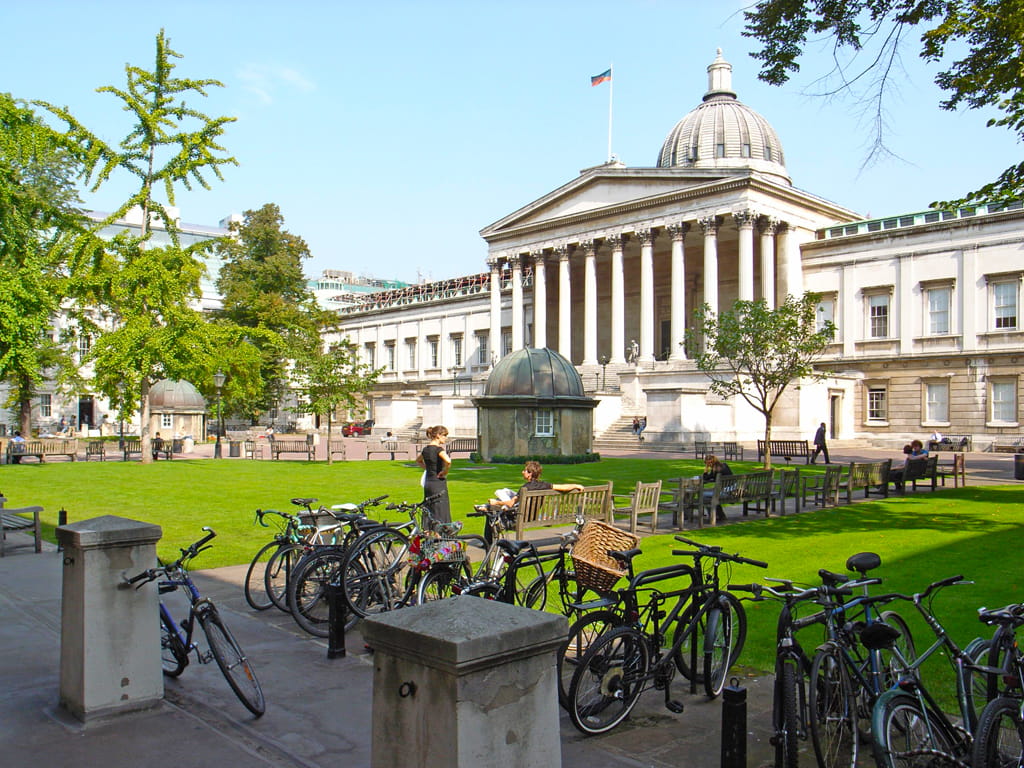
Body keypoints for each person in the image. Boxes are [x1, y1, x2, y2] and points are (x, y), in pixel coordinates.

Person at [417, 425, 452, 524]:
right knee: (440, 509)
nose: (445, 438)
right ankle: (440, 535)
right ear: (438, 435)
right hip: (438, 483)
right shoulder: (438, 450)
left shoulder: (426, 450)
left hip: (428, 482)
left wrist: (427, 469)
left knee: (429, 508)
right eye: (444, 435)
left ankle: (428, 532)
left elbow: (418, 461)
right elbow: (448, 461)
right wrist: (445, 471)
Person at [701, 454, 733, 522]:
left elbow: (706, 477)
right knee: (712, 496)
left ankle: (713, 516)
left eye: (708, 463)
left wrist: (706, 469)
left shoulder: (716, 470)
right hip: (733, 490)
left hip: (726, 492)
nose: (709, 465)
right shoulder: (724, 465)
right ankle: (721, 515)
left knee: (703, 495)